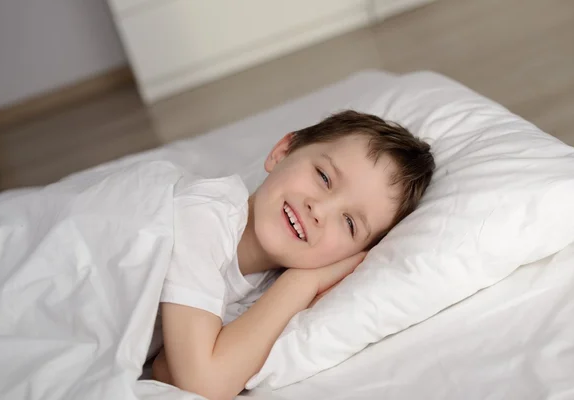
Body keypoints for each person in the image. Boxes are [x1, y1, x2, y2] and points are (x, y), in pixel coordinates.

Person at [151, 110, 435, 400]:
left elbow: (167, 372)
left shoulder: (262, 286)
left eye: (349, 223)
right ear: (283, 151)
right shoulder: (203, 214)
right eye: (324, 177)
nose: (319, 210)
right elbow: (202, 384)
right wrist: (302, 283)